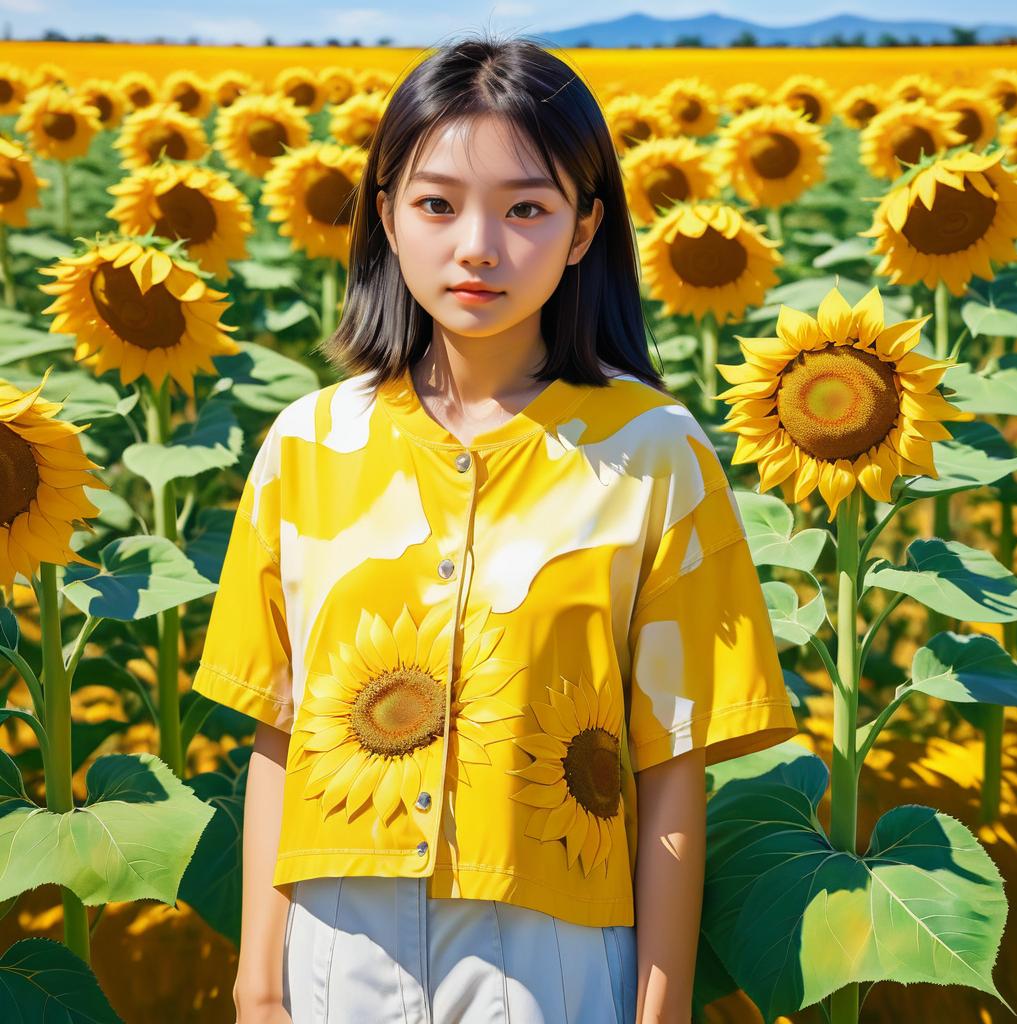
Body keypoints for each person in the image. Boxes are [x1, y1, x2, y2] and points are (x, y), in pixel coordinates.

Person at [192, 32, 799, 1024]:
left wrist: (660, 1008)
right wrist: (260, 980)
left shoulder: (653, 452)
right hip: (337, 935)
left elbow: (671, 761)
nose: (477, 245)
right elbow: (280, 730)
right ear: (384, 215)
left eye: (526, 207)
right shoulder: (308, 442)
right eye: (436, 203)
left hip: (551, 943)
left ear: (582, 228)